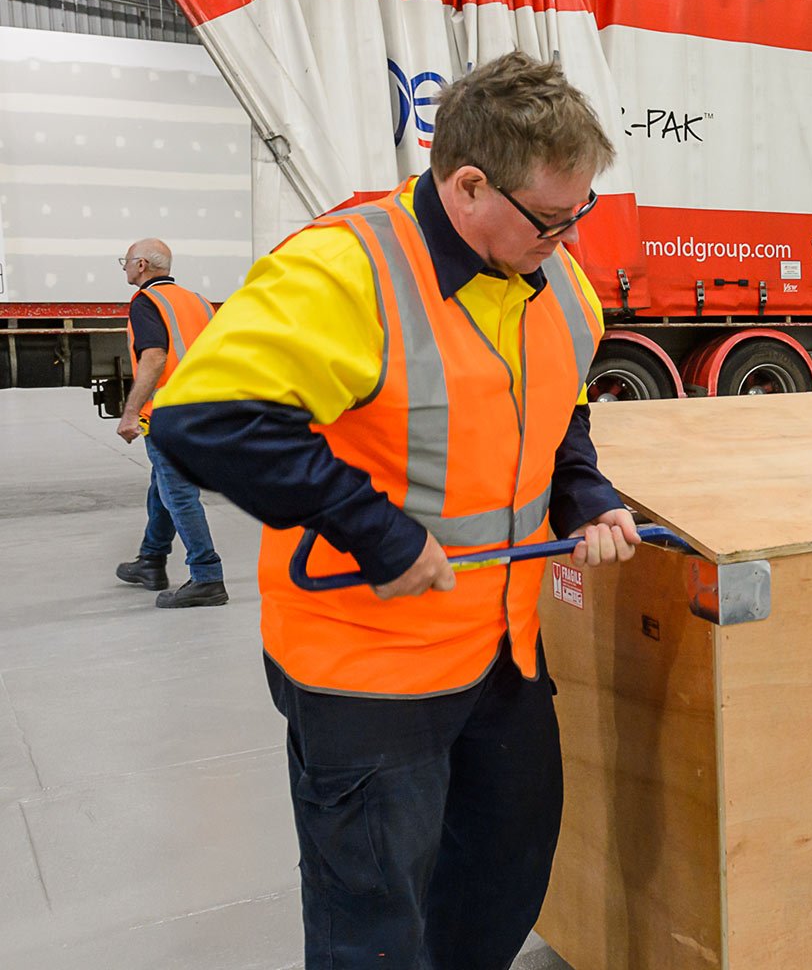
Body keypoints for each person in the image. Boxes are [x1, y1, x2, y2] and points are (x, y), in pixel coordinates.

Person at [149, 51, 641, 969]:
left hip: (505, 653)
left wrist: (585, 493)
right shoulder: (350, 269)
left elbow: (561, 409)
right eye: (550, 217)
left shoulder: (560, 284)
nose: (569, 238)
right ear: (466, 184)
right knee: (372, 922)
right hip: (368, 667)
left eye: (583, 214)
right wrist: (377, 532)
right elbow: (202, 419)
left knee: (504, 877)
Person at [112, 238, 229, 608]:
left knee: (177, 492)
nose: (126, 268)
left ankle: (207, 576)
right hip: (203, 410)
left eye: (126, 262)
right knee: (161, 484)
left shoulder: (146, 303)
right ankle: (151, 559)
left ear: (142, 265)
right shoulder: (197, 301)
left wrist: (131, 411)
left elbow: (155, 356)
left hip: (168, 414)